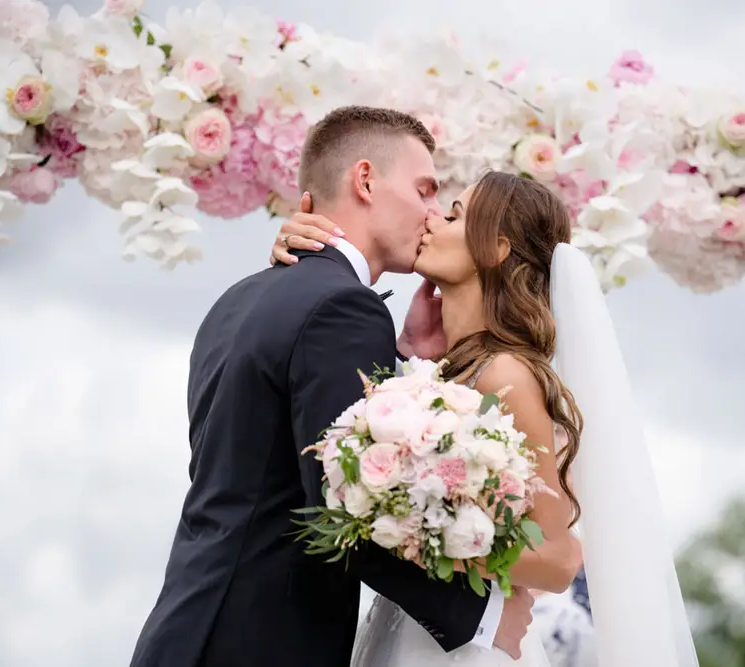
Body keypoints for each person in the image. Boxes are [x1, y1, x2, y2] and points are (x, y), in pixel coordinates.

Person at [128, 107, 535, 667]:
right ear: (365, 180)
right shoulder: (344, 308)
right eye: (424, 190)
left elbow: (278, 460)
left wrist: (405, 358)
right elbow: (341, 509)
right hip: (259, 645)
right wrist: (480, 615)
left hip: (189, 628)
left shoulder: (240, 298)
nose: (433, 212)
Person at [273, 173, 702, 667]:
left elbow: (559, 559)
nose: (432, 219)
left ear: (497, 249)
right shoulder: (444, 371)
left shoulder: (507, 374)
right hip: (407, 634)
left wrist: (415, 538)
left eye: (454, 216)